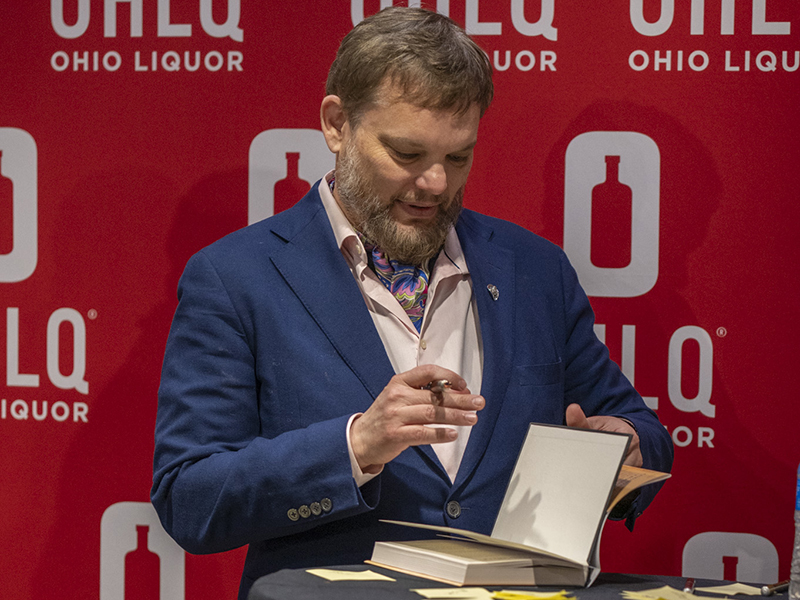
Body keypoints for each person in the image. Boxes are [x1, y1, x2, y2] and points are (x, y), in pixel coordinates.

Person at [151, 7, 673, 599]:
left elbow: (642, 431)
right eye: (406, 154)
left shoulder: (534, 270)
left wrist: (620, 444)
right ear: (336, 124)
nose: (435, 185)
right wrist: (357, 444)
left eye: (457, 158)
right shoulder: (235, 278)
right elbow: (190, 498)